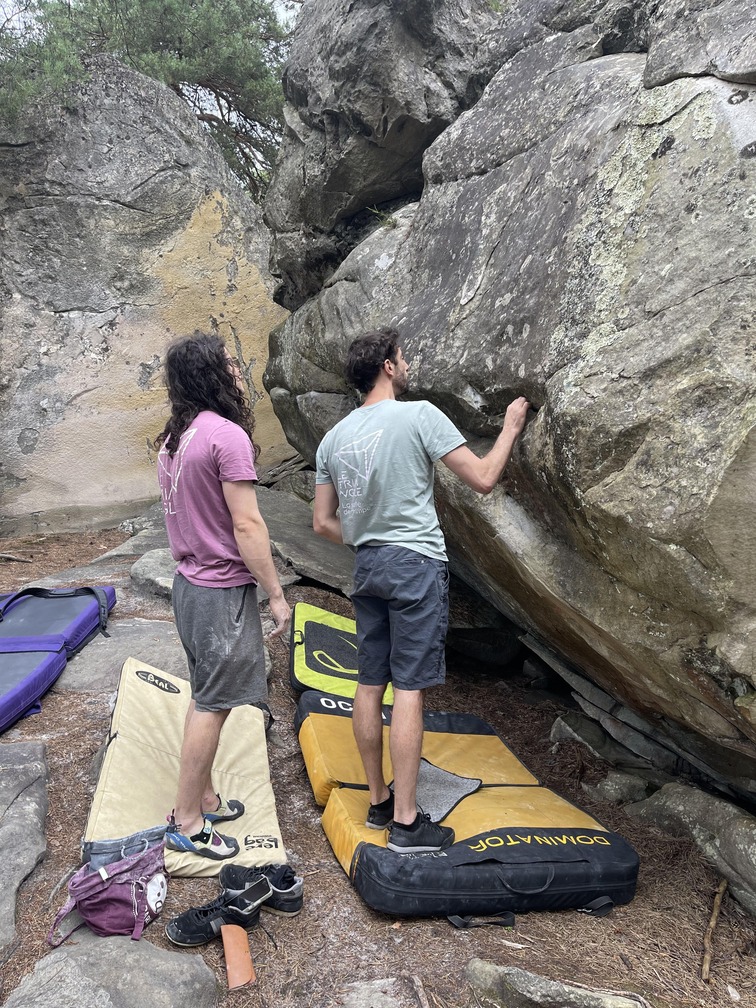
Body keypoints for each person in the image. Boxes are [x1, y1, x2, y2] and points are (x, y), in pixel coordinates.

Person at [313, 327, 530, 854]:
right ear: (388, 366)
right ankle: (408, 825)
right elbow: (481, 478)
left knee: (370, 682)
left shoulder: (333, 439)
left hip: (368, 566)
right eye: (402, 357)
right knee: (408, 688)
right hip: (415, 564)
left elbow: (322, 522)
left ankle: (380, 799)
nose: (406, 364)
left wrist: (369, 538)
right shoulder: (419, 416)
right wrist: (510, 427)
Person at [155, 332, 291, 861]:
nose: (238, 369)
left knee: (205, 695)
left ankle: (204, 796)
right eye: (231, 362)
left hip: (188, 586)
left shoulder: (174, 439)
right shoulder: (226, 435)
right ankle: (186, 819)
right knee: (212, 704)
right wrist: (275, 594)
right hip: (218, 593)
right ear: (214, 373)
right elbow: (247, 524)